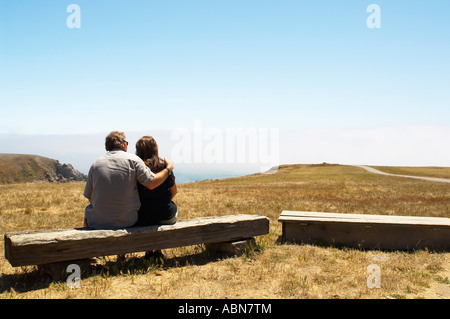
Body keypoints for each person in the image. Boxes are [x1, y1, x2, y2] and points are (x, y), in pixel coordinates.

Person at [83, 131, 174, 230]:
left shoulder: (96, 164)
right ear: (123, 144)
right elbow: (151, 183)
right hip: (127, 221)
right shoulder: (133, 160)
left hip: (97, 222)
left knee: (87, 214)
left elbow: (90, 197)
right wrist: (168, 169)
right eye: (126, 143)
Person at [134, 136, 178, 226]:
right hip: (167, 216)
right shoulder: (164, 167)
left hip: (143, 217)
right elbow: (174, 191)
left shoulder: (136, 168)